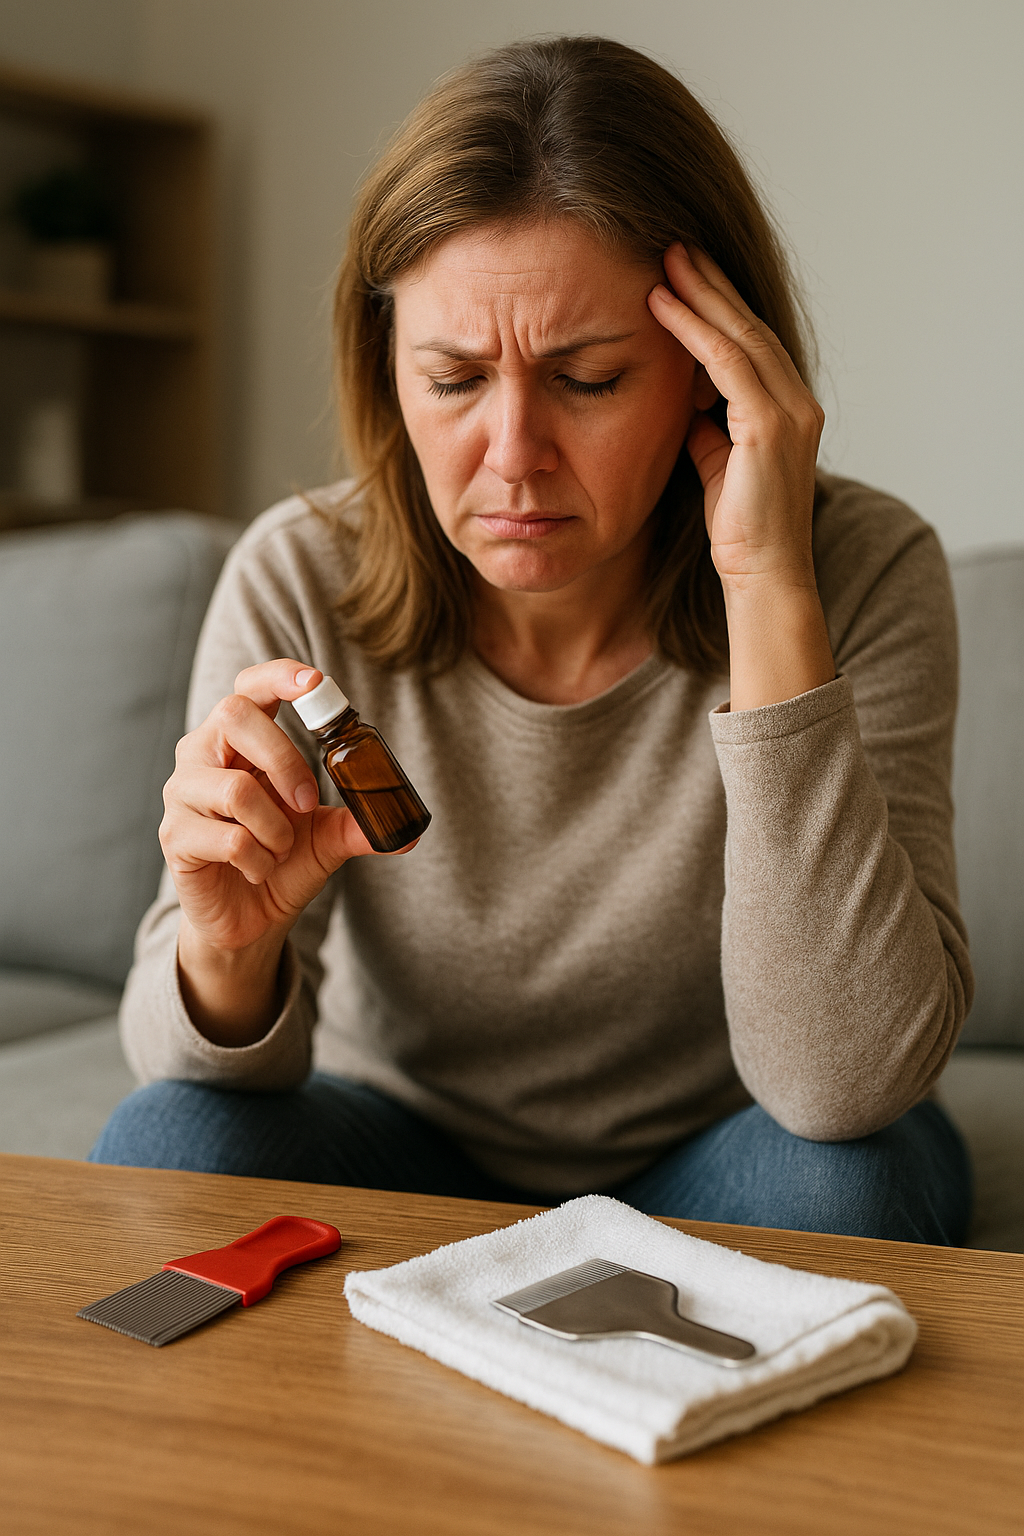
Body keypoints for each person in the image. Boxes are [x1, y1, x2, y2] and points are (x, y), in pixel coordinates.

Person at [91, 35, 972, 1244]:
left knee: (858, 1179)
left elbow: (843, 1087)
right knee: (166, 1142)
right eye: (452, 379)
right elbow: (187, 1071)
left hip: (717, 1161)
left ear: (710, 376)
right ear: (386, 368)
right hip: (397, 1148)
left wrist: (767, 582)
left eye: (590, 378)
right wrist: (229, 948)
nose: (512, 458)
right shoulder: (300, 574)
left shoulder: (867, 568)